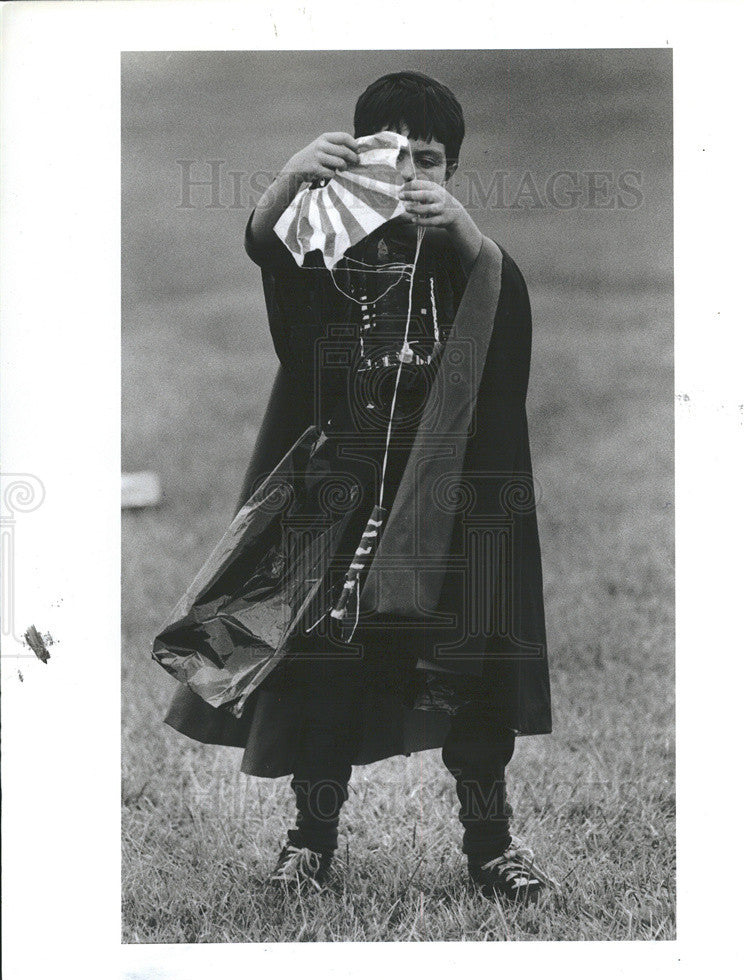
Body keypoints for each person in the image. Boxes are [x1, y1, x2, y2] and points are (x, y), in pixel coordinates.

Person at [163, 71, 554, 901]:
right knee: (321, 673)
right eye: (393, 154)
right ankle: (310, 842)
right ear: (358, 161)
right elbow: (269, 249)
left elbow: (504, 364)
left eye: (431, 158)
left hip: (447, 513)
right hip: (341, 508)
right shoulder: (332, 250)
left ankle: (490, 847)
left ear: (452, 170)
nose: (412, 173)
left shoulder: (472, 259)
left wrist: (472, 240)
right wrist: (288, 180)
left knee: (471, 675)